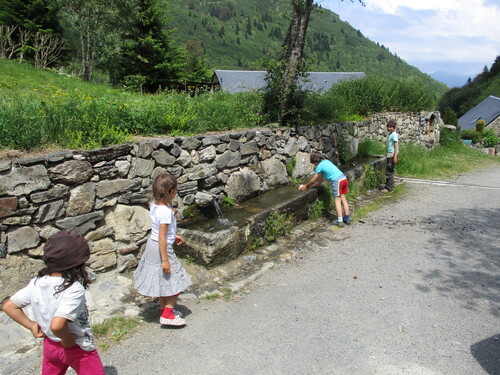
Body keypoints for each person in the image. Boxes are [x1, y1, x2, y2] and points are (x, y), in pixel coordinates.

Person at [2, 231, 105, 375]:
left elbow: (9, 306)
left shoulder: (37, 283)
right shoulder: (73, 288)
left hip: (50, 346)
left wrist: (32, 325)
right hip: (76, 346)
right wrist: (67, 339)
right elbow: (57, 325)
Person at [135, 173, 192, 326]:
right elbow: (162, 237)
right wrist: (165, 260)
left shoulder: (155, 205)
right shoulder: (166, 212)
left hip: (152, 245)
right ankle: (167, 314)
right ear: (171, 192)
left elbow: (161, 232)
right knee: (176, 280)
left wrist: (174, 236)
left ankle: (164, 311)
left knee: (163, 280)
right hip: (161, 248)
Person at [299, 152, 350, 227]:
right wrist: (319, 183)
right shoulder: (326, 161)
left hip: (337, 181)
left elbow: (313, 179)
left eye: (313, 163)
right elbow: (321, 177)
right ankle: (347, 218)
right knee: (344, 199)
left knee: (337, 200)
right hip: (343, 178)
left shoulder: (319, 166)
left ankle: (340, 221)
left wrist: (306, 186)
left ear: (314, 161)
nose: (314, 165)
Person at [381, 119, 399, 193]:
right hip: (389, 154)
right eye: (388, 126)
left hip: (392, 155)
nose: (389, 128)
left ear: (394, 128)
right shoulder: (390, 134)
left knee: (389, 171)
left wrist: (395, 156)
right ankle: (389, 185)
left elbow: (396, 146)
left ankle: (389, 188)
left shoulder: (394, 135)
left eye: (391, 127)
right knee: (388, 170)